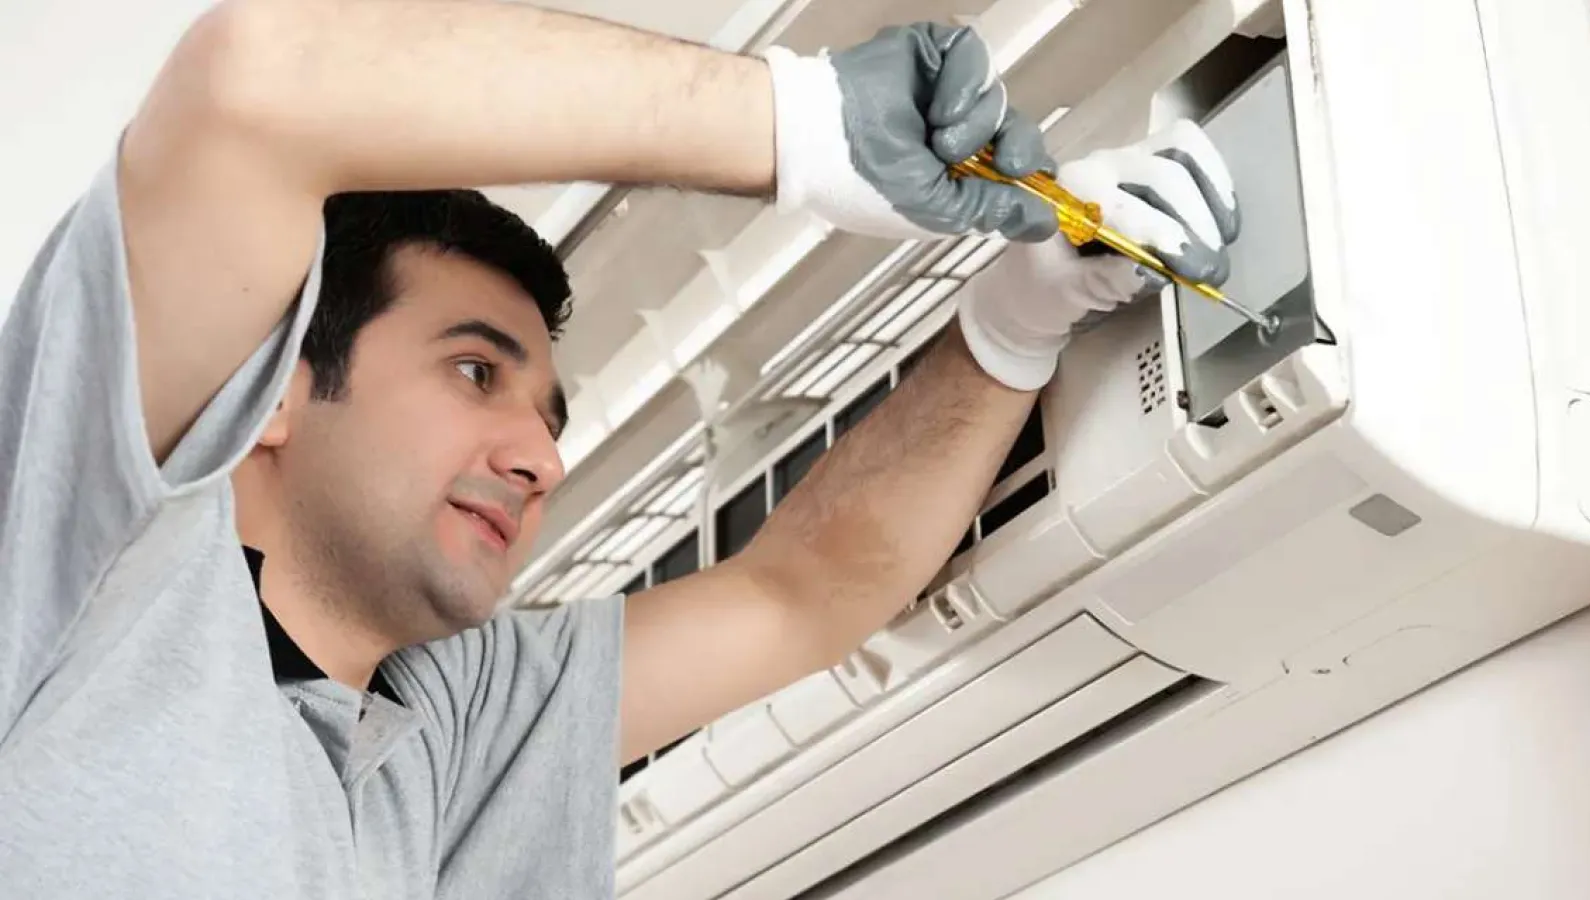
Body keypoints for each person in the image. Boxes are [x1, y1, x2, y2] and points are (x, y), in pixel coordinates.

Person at [0, 1, 1238, 897]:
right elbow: (253, 82)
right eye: (475, 371)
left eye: (549, 419)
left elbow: (799, 593)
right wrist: (795, 124)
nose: (539, 460)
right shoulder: (101, 578)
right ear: (274, 394)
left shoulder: (444, 727)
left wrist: (1017, 326)